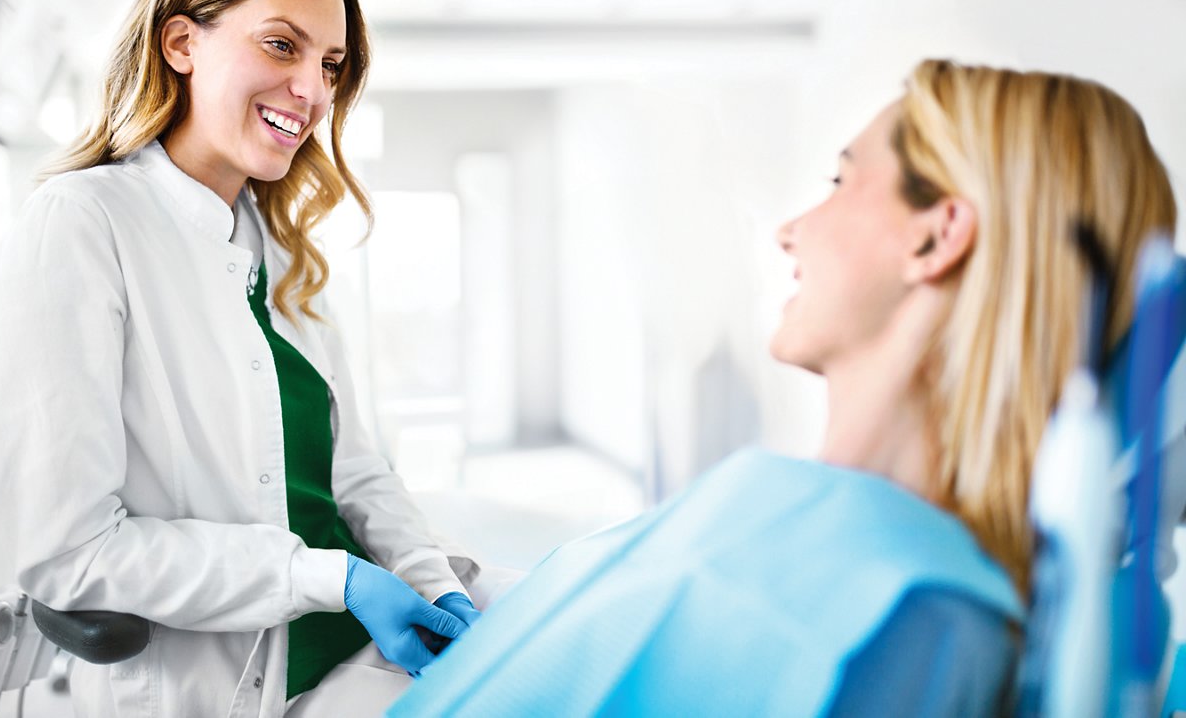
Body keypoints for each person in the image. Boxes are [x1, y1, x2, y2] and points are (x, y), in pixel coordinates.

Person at [387, 60, 1178, 716]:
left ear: (936, 236)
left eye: (841, 179)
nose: (789, 228)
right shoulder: (788, 514)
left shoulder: (908, 614)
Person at [0, 0, 480, 718]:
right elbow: (71, 554)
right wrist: (330, 578)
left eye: (331, 64)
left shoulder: (280, 246)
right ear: (179, 43)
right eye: (281, 46)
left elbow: (355, 472)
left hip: (357, 656)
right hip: (231, 686)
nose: (312, 89)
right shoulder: (82, 224)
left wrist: (431, 580)